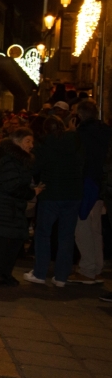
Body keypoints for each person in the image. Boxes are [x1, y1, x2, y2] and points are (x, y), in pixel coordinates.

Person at [0, 128, 44, 286]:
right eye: (27, 141)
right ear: (17, 142)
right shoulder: (10, 160)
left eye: (32, 142)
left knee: (13, 242)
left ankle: (5, 274)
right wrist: (31, 192)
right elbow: (10, 186)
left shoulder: (21, 160)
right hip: (3, 207)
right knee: (2, 243)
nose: (31, 145)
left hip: (12, 207)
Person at [23, 116, 83, 287]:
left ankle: (40, 272)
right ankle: (62, 276)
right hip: (73, 193)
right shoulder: (75, 141)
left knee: (43, 233)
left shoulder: (44, 146)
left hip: (51, 193)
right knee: (66, 235)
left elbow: (34, 167)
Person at [70, 100, 112, 284]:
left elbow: (78, 160)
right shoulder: (106, 131)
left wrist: (71, 133)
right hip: (101, 186)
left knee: (83, 227)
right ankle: (96, 267)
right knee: (96, 229)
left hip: (86, 184)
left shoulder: (81, 135)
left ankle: (87, 269)